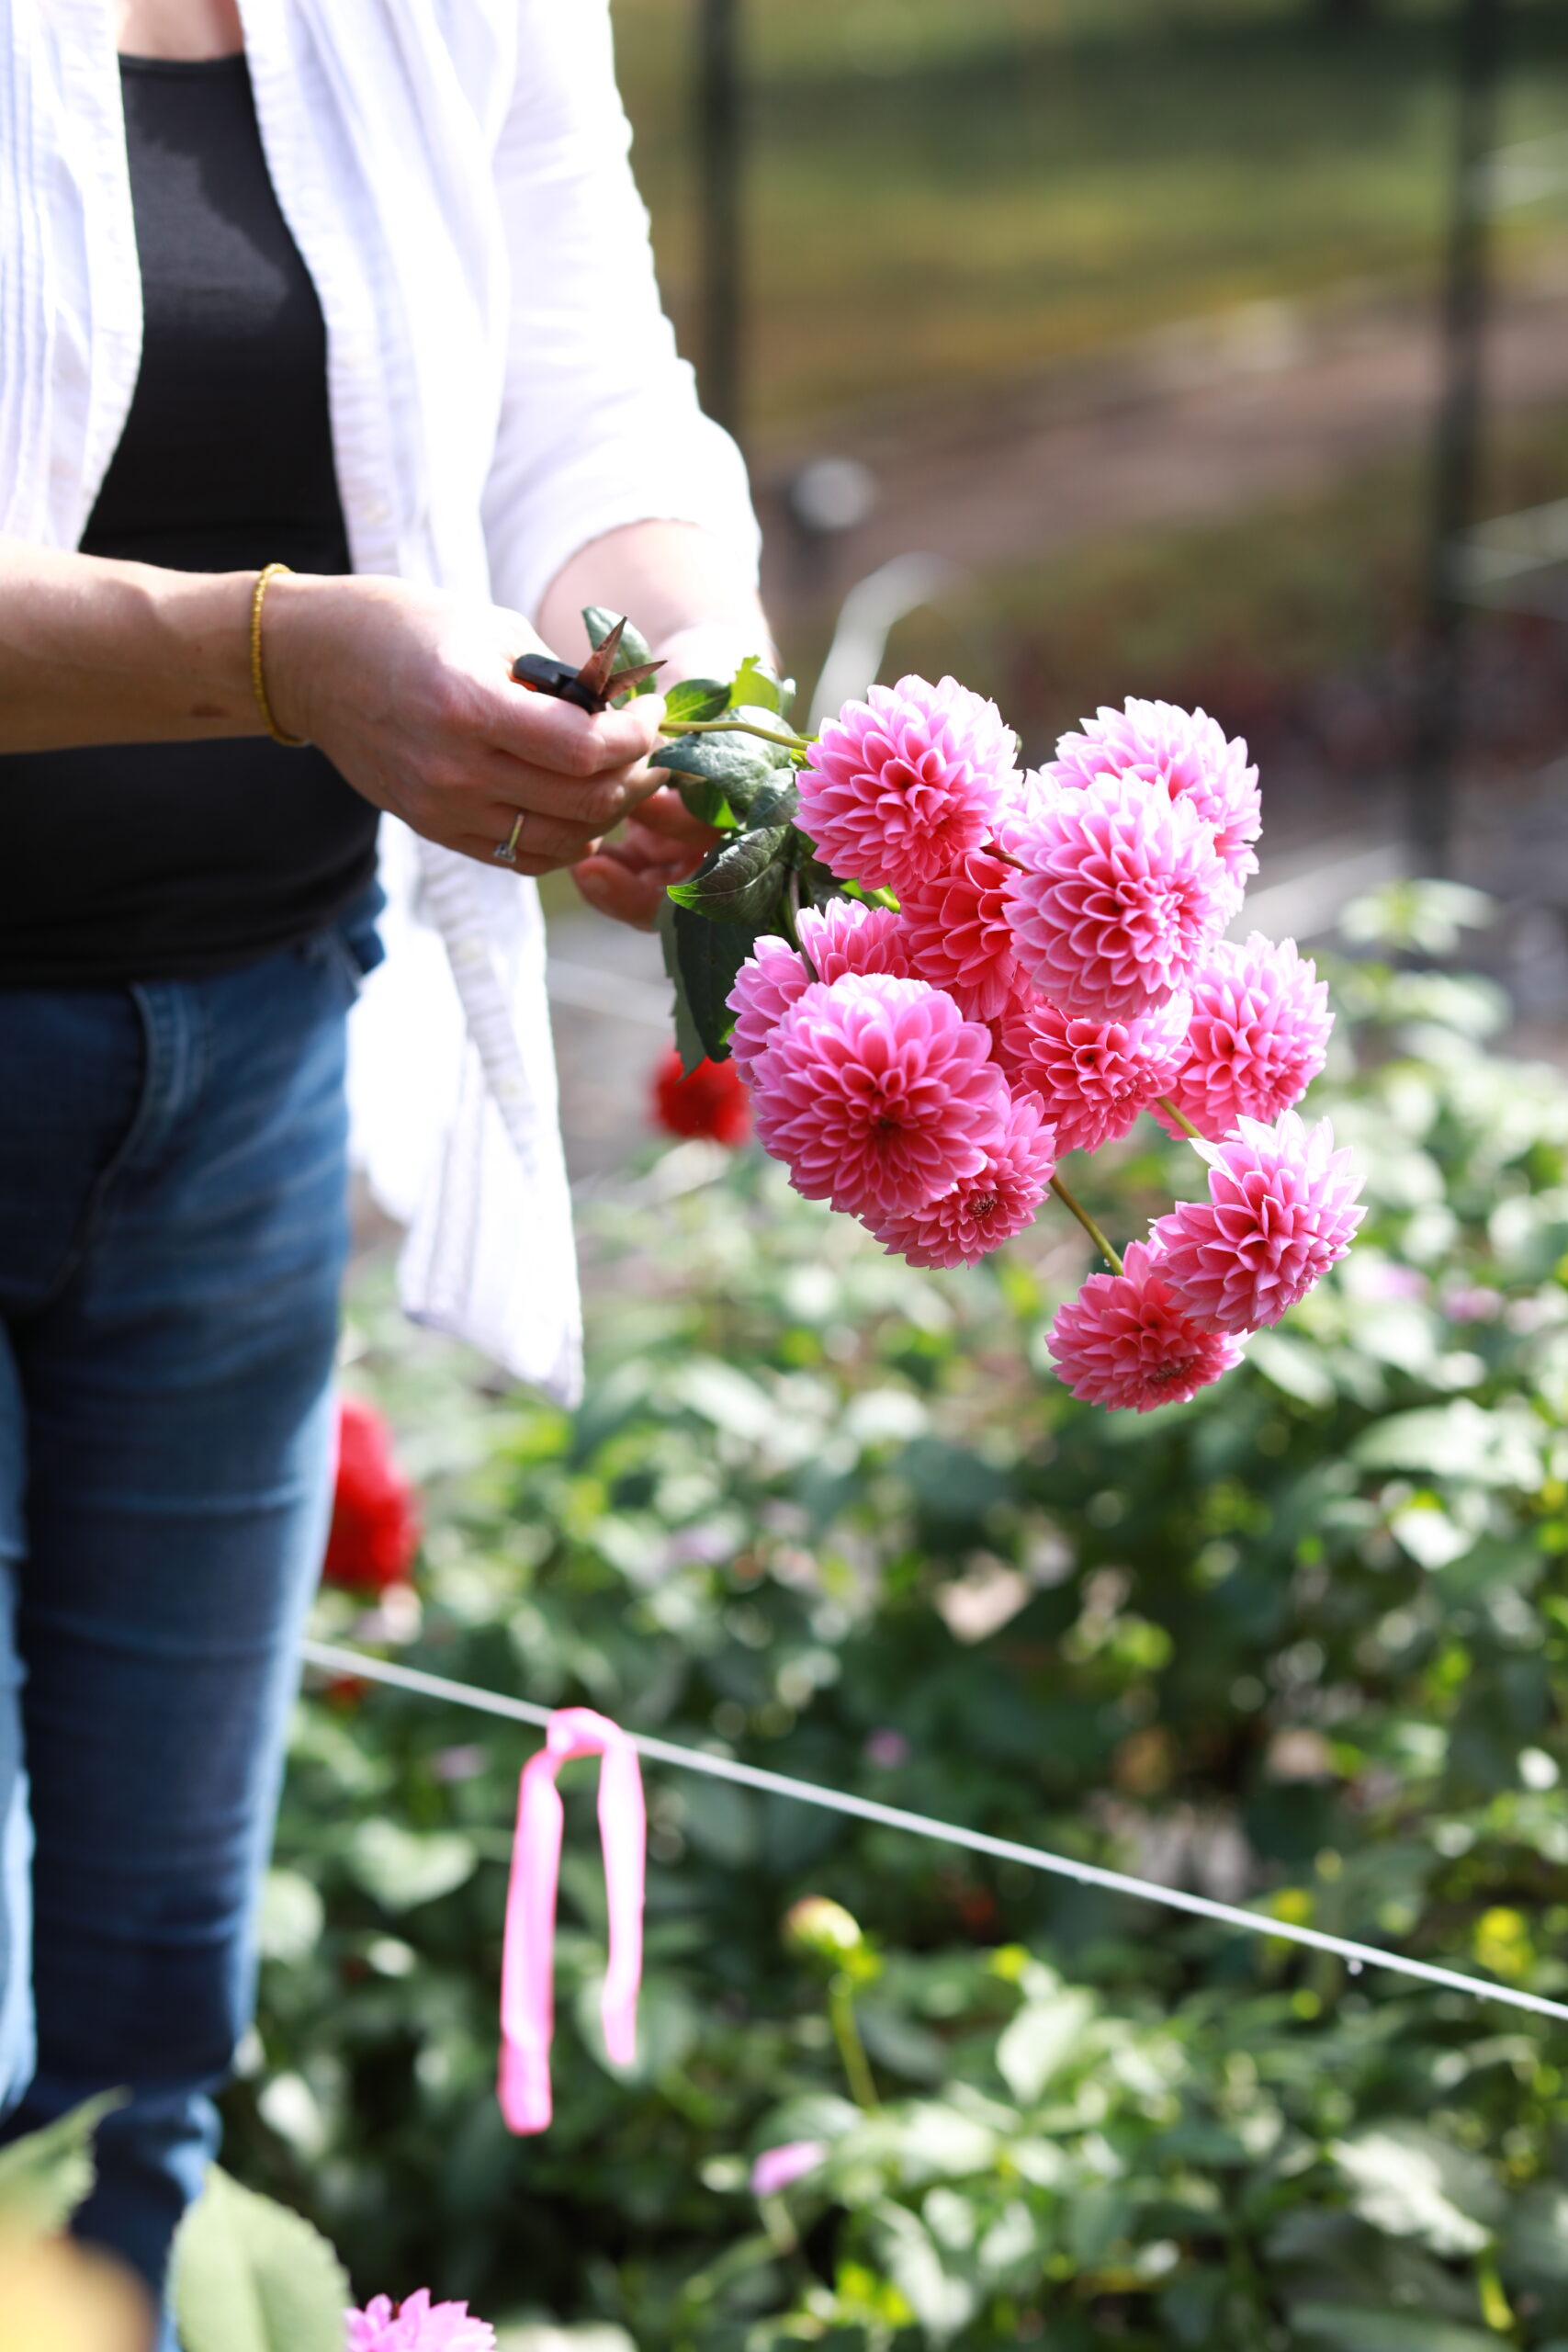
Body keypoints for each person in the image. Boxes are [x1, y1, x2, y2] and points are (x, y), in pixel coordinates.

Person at [0, 0, 767, 2336]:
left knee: (140, 2034)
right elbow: (307, 645)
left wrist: (684, 711)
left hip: (243, 1059)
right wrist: (275, 654)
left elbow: (583, 395)